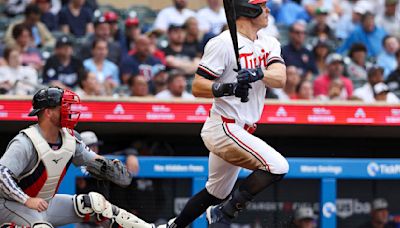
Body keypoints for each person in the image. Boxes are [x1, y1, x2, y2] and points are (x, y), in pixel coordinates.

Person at [156, 1, 289, 227]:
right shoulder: (222, 43)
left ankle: (174, 226)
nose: (267, 11)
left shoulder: (270, 42)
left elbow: (280, 78)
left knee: (216, 191)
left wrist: (258, 73)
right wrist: (229, 88)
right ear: (249, 11)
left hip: (241, 128)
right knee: (277, 166)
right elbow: (198, 87)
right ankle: (223, 214)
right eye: (262, 6)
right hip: (224, 126)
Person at [0, 87, 153, 228]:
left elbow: (91, 159)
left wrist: (107, 168)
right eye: (64, 107)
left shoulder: (70, 138)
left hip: (44, 203)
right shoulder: (25, 142)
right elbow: (2, 175)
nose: (69, 111)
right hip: (11, 204)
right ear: (48, 112)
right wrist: (27, 200)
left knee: (95, 205)